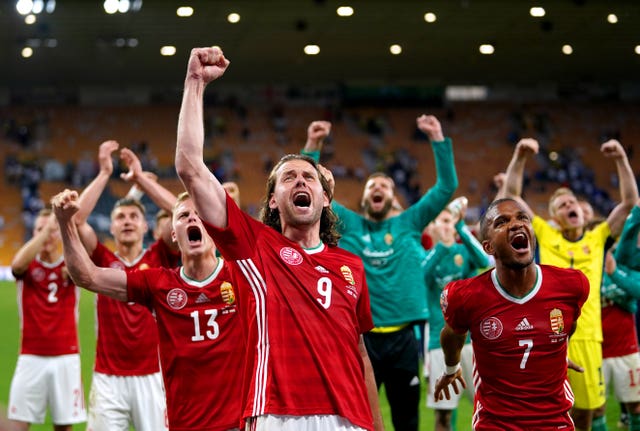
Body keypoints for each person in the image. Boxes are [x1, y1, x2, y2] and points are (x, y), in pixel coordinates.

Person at [175, 46, 384, 431]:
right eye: (289, 177)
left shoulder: (351, 266)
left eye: (310, 177)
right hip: (276, 415)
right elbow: (190, 166)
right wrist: (195, 83)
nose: (301, 180)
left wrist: (376, 425)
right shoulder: (254, 246)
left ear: (325, 198)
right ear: (274, 200)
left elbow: (360, 355)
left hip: (348, 420)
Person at [302, 115, 458, 431]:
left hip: (402, 340)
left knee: (406, 420)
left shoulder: (409, 222)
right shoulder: (347, 223)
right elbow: (310, 187)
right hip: (361, 341)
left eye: (385, 186)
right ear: (364, 197)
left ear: (392, 198)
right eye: (373, 185)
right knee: (357, 419)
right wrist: (313, 146)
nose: (379, 188)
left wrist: (438, 138)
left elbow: (446, 187)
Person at [52, 189, 244, 431]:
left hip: (238, 423)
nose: (193, 219)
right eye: (184, 216)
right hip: (184, 424)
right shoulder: (158, 284)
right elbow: (87, 277)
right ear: (173, 234)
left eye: (200, 214)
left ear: (214, 227)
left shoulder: (242, 275)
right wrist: (64, 223)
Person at [499, 138, 638, 430]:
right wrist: (519, 157)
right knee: (546, 411)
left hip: (588, 336)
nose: (569, 206)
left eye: (572, 202)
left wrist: (621, 159)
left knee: (587, 412)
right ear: (555, 217)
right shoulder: (547, 237)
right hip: (549, 334)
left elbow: (629, 204)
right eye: (562, 205)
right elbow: (510, 195)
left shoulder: (597, 237)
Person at [434, 198, 589, 430]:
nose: (516, 224)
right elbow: (452, 334)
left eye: (522, 218)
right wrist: (451, 367)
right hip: (496, 423)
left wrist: (558, 349)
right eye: (502, 222)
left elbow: (569, 323)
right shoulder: (466, 296)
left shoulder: (570, 285)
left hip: (554, 421)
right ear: (488, 247)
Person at [73, 141, 180, 431]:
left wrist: (141, 179)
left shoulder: (161, 255)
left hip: (153, 375)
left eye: (135, 216)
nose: (128, 221)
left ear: (147, 227)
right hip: (108, 379)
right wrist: (105, 172)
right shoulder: (102, 258)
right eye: (120, 217)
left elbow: (182, 211)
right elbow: (76, 219)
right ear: (111, 227)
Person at [7, 208, 87, 431]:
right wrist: (48, 228)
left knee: (63, 426)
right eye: (39, 229)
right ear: (34, 233)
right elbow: (16, 266)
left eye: (52, 231)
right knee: (18, 424)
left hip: (66, 356)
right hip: (31, 356)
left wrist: (58, 226)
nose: (47, 234)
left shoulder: (69, 267)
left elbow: (84, 264)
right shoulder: (28, 266)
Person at [423, 198, 491, 431]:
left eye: (450, 221)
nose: (446, 225)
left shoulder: (465, 251)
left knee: (487, 408)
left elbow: (484, 260)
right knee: (443, 414)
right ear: (432, 227)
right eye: (442, 221)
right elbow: (421, 275)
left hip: (473, 342)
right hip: (438, 343)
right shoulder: (429, 255)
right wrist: (442, 245)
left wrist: (462, 227)